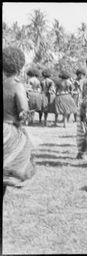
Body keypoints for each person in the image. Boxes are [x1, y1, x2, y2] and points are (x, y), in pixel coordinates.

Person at [3, 46, 37, 200]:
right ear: (19, 64)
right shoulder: (17, 85)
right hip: (9, 132)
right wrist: (29, 114)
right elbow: (24, 112)